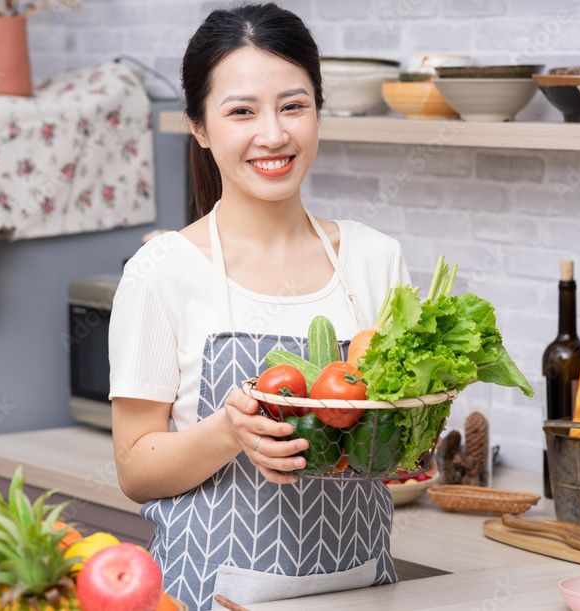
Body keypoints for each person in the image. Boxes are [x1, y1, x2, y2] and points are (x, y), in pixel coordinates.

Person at [108, 4, 411, 610]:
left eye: (293, 106)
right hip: (209, 596)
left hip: (361, 592)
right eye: (241, 111)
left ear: (318, 112)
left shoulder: (376, 260)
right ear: (198, 126)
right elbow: (136, 469)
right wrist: (229, 430)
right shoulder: (162, 271)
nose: (273, 134)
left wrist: (406, 441)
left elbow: (398, 453)